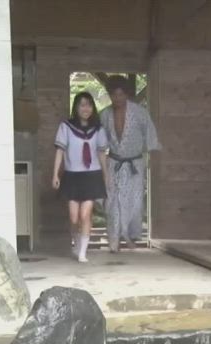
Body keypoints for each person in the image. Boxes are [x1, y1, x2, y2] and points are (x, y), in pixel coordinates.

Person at [100, 75, 161, 252]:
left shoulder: (140, 113)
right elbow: (99, 142)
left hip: (134, 164)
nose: (117, 98)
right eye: (114, 95)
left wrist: (152, 160)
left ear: (126, 94)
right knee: (113, 202)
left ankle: (127, 236)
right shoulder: (104, 115)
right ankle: (114, 240)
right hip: (114, 162)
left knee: (133, 203)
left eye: (120, 94)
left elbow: (151, 137)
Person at [51, 92, 110, 263]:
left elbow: (102, 153)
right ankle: (77, 243)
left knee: (85, 215)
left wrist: (106, 176)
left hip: (92, 176)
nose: (86, 108)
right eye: (82, 105)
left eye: (89, 105)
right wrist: (55, 174)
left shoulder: (98, 129)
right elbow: (60, 151)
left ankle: (83, 252)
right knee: (73, 217)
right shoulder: (66, 127)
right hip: (72, 176)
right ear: (76, 108)